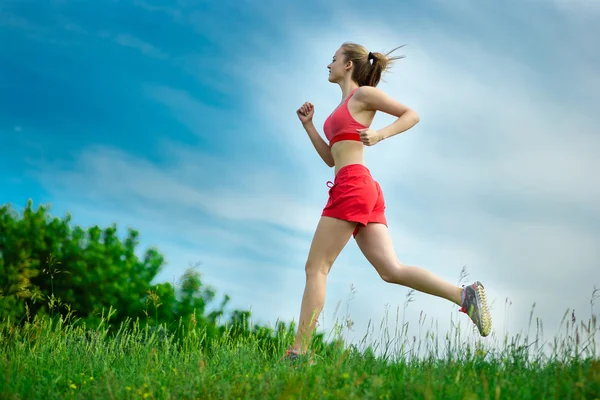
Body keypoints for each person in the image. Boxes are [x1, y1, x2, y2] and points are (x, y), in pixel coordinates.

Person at [282, 42, 491, 364]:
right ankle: (464, 296)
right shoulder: (341, 107)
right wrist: (309, 126)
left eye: (333, 59)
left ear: (348, 65)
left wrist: (380, 134)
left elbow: (412, 115)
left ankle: (299, 352)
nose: (328, 64)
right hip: (358, 186)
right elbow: (329, 159)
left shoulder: (363, 95)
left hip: (352, 185)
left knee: (316, 268)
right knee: (391, 270)